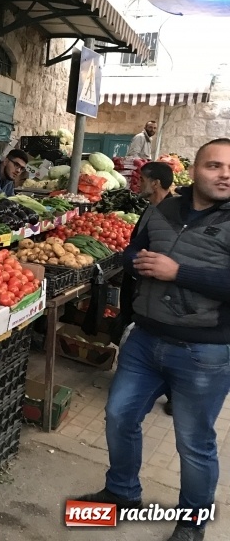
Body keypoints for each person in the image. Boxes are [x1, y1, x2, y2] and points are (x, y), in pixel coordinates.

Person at [79, 138, 230, 541]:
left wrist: (177, 272)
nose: (225, 174)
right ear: (194, 170)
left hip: (204, 350)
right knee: (118, 415)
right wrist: (138, 262)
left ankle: (192, 526)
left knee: (194, 444)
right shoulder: (162, 209)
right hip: (145, 339)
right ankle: (122, 492)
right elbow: (133, 250)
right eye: (214, 166)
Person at [118, 162, 174, 415]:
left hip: (156, 288)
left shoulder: (172, 212)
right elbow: (135, 245)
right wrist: (131, 259)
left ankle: (172, 393)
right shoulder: (151, 208)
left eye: (142, 179)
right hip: (138, 279)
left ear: (155, 183)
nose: (138, 184)